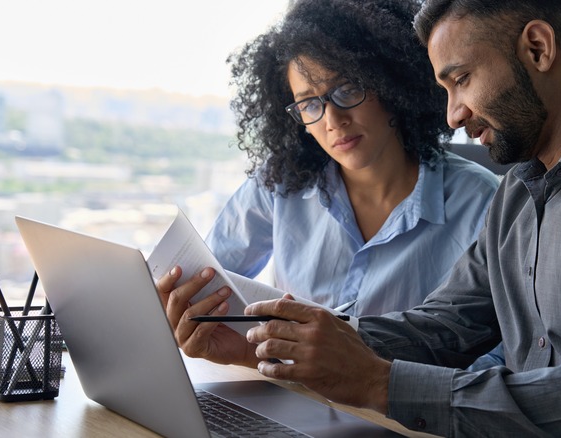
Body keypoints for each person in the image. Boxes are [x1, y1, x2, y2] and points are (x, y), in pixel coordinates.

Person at [159, 0, 561, 435]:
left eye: (460, 80)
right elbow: (443, 328)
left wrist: (379, 383)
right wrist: (278, 347)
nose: (453, 115)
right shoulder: (521, 192)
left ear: (537, 47)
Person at [200, 0, 498, 318]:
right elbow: (206, 281)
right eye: (309, 104)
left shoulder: (481, 202)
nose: (332, 119)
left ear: (391, 85)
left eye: (346, 89)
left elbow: (498, 354)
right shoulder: (278, 184)